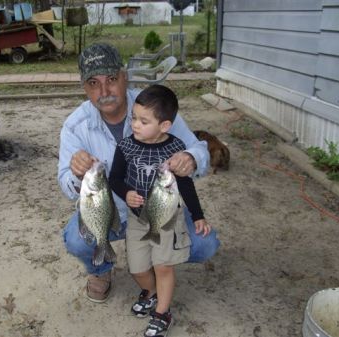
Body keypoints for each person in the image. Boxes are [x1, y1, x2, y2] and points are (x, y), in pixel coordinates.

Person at [57, 43, 220, 304]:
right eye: (93, 82)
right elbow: (65, 183)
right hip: (107, 213)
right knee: (77, 241)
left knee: (205, 244)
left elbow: (198, 149)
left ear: (125, 77)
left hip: (158, 210)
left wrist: (191, 158)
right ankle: (101, 270)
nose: (104, 91)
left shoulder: (153, 106)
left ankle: (157, 259)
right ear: (84, 87)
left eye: (111, 79)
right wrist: (76, 174)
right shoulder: (75, 126)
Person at [108, 84, 210, 336]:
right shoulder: (125, 146)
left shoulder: (175, 150)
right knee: (137, 267)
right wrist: (125, 193)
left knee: (163, 265)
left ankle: (162, 313)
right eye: (134, 118)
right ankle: (151, 293)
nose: (135, 125)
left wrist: (198, 215)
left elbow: (185, 185)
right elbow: (114, 179)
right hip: (137, 219)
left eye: (143, 121)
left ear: (164, 126)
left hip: (166, 218)